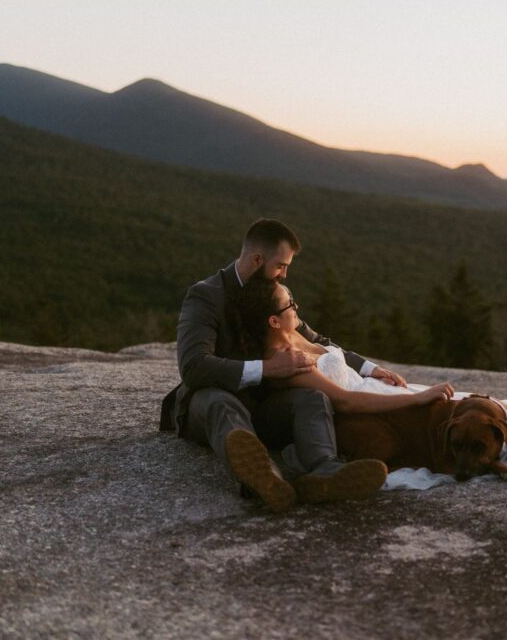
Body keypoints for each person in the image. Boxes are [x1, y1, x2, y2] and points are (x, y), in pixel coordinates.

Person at [235, 276, 507, 489]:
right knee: (471, 414)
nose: (297, 307)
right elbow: (347, 403)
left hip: (383, 393)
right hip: (376, 412)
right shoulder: (283, 361)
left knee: (490, 405)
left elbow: (334, 351)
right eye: (290, 304)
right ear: (274, 320)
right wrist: (418, 397)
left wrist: (373, 369)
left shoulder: (296, 337)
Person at [159, 219, 411, 514]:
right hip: (210, 406)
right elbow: (194, 367)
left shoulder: (273, 294)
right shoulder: (206, 296)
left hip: (263, 407)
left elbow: (315, 338)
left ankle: (323, 471)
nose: (285, 273)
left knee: (312, 398)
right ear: (257, 259)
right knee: (219, 401)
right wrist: (266, 369)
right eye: (280, 265)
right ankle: (262, 476)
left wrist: (368, 368)